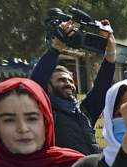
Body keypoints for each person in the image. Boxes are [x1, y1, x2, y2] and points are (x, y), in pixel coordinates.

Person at [30, 20, 117, 154]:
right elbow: (35, 83)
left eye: (71, 80)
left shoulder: (84, 111)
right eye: (61, 80)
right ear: (48, 86)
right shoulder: (46, 113)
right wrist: (56, 48)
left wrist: (110, 52)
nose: (69, 84)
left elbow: (102, 87)